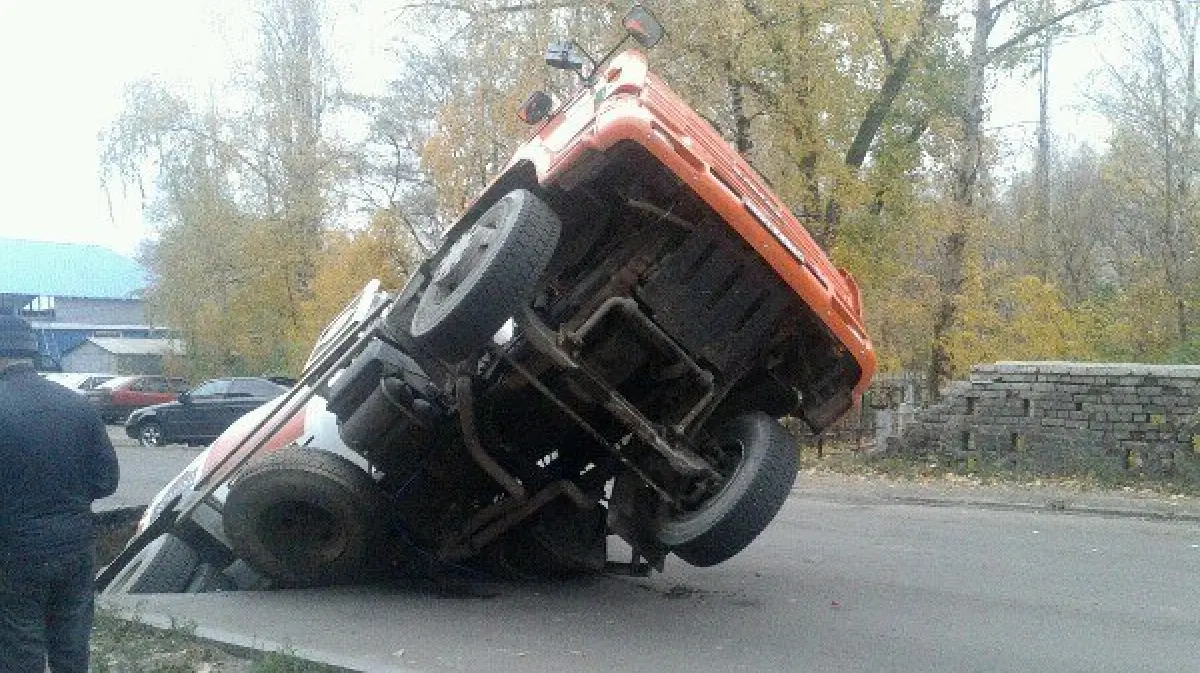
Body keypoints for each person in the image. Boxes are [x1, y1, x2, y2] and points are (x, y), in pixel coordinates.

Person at [0, 315, 119, 673]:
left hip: (14, 552)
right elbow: (106, 481)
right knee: (72, 648)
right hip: (76, 548)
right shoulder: (77, 404)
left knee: (20, 650)